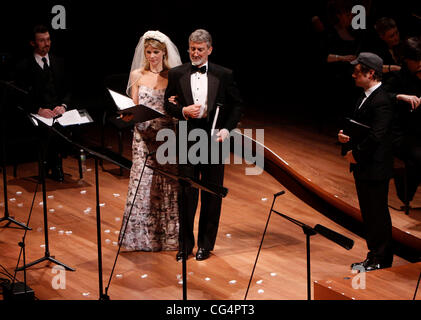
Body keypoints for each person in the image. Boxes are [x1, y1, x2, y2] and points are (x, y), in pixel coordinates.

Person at [164, 29, 243, 261]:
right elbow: (167, 105)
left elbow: (237, 105)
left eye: (200, 49)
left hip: (214, 138)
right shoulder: (177, 74)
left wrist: (227, 130)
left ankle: (205, 245)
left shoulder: (224, 74)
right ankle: (184, 245)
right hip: (188, 138)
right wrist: (182, 111)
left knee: (211, 194)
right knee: (186, 193)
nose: (195, 53)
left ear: (209, 49)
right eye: (192, 48)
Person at [119, 30, 182, 252]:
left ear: (164, 53)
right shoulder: (137, 74)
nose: (152, 56)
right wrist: (126, 113)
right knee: (142, 183)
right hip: (143, 138)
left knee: (167, 184)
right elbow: (134, 105)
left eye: (156, 52)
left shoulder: (172, 76)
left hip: (165, 138)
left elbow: (177, 107)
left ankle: (167, 237)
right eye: (148, 52)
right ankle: (139, 238)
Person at [338, 52, 394, 272]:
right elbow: (359, 127)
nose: (353, 75)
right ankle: (374, 255)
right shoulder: (365, 96)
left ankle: (381, 257)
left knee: (377, 213)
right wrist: (345, 138)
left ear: (371, 73)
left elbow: (377, 136)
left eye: (357, 71)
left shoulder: (382, 101)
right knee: (369, 213)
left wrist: (356, 154)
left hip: (375, 167)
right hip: (364, 166)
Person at [15, 25, 71, 182]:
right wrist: (38, 110)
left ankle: (57, 164)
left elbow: (68, 90)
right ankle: (48, 165)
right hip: (35, 112)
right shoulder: (24, 66)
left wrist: (63, 106)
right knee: (46, 128)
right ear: (33, 43)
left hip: (56, 111)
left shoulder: (59, 62)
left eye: (48, 40)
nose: (46, 44)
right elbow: (20, 97)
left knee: (62, 125)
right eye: (41, 40)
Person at [384, 36, 421, 207]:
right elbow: (380, 97)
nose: (420, 63)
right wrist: (400, 96)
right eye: (416, 60)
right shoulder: (398, 78)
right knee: (417, 156)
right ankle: (404, 188)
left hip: (419, 132)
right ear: (406, 60)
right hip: (401, 133)